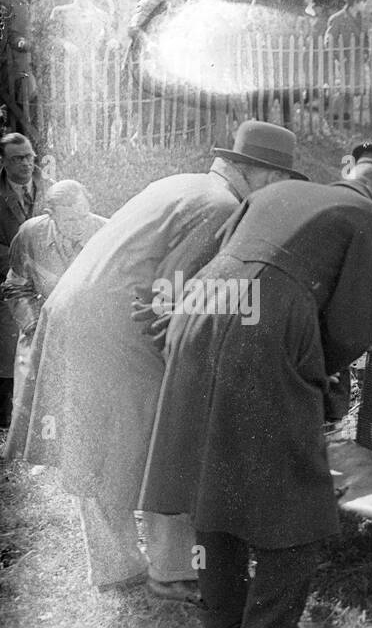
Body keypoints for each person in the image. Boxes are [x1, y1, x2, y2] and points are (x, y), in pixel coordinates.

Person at [137, 144, 372, 628]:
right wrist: (323, 378)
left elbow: (224, 253)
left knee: (214, 473)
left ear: (347, 172)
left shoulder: (278, 190)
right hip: (266, 331)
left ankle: (222, 613)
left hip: (200, 312)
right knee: (297, 493)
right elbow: (353, 324)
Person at [11, 122, 305, 598]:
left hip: (73, 310)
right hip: (118, 324)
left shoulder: (179, 184)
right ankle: (174, 570)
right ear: (263, 174)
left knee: (95, 441)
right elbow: (172, 296)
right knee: (168, 439)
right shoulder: (224, 206)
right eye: (282, 180)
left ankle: (115, 566)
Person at [1, 179, 106, 447]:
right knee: (35, 395)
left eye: (83, 216)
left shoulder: (107, 232)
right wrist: (34, 325)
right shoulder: (29, 234)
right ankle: (37, 451)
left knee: (87, 399)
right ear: (51, 216)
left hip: (89, 330)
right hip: (40, 326)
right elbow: (15, 286)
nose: (79, 225)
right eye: (69, 220)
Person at [0, 131, 43, 424]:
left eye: (30, 157)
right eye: (18, 159)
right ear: (2, 161)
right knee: (6, 354)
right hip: (7, 284)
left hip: (46, 283)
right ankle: (7, 419)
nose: (27, 164)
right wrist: (19, 260)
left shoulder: (51, 189)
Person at [0, 0, 49, 142]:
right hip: (17, 64)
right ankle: (22, 144)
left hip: (43, 61)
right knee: (21, 108)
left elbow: (50, 28)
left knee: (44, 108)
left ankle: (39, 146)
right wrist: (19, 42)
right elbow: (4, 35)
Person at [324, 0, 368, 124]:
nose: (364, 5)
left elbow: (365, 38)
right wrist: (340, 56)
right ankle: (332, 115)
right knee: (341, 88)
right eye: (363, 2)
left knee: (352, 89)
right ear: (355, 2)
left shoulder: (362, 18)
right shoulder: (337, 18)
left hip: (358, 60)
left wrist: (366, 52)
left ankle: (347, 115)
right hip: (343, 61)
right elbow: (329, 41)